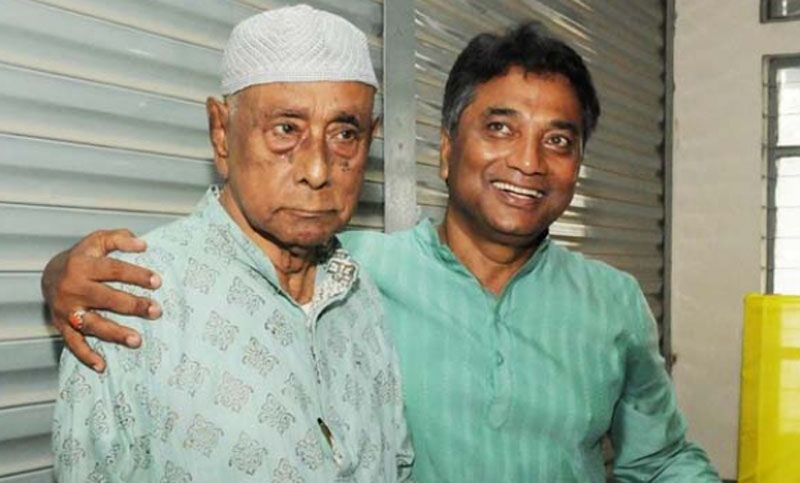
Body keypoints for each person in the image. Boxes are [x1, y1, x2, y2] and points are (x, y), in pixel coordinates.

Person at [43, 18, 721, 482]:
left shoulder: (610, 304)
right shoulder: (354, 274)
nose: (528, 162)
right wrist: (61, 279)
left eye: (559, 140)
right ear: (446, 148)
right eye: (499, 128)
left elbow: (661, 459)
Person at [50, 6, 414, 482]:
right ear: (221, 132)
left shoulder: (362, 299)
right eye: (286, 130)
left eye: (345, 134)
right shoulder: (130, 301)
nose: (318, 170)